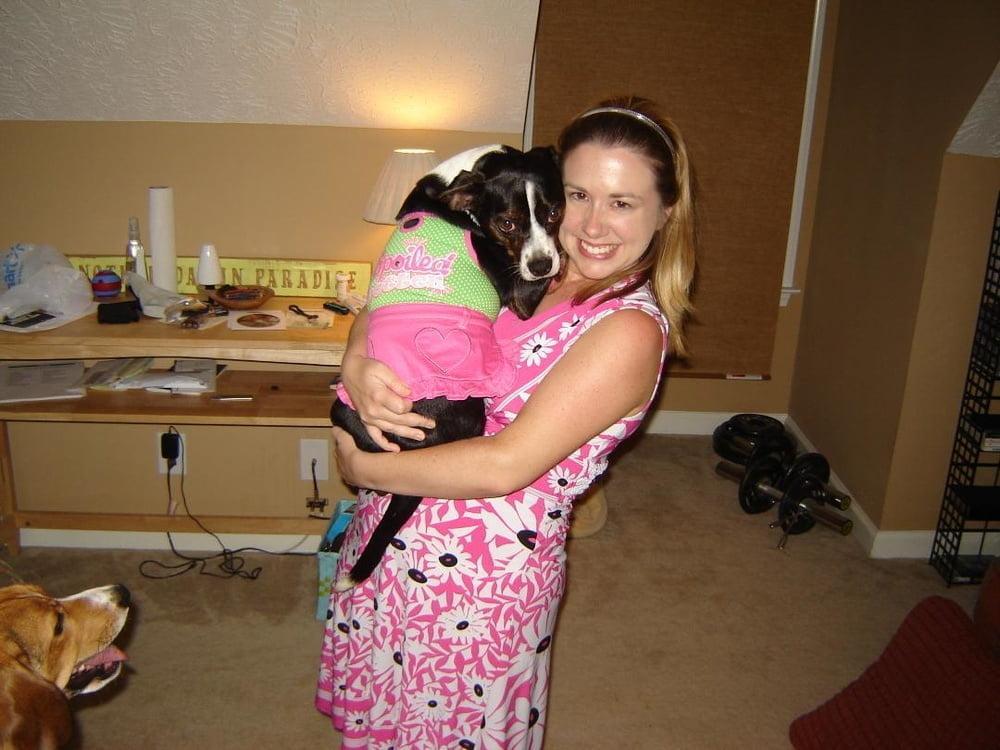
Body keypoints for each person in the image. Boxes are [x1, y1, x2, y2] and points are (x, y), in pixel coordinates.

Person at [316, 94, 697, 749]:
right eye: (578, 195)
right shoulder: (527, 261)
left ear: (665, 211)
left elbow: (504, 465)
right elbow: (396, 298)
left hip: (477, 586)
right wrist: (357, 362)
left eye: (623, 203)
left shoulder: (628, 330)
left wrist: (361, 466)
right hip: (392, 538)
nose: (593, 225)